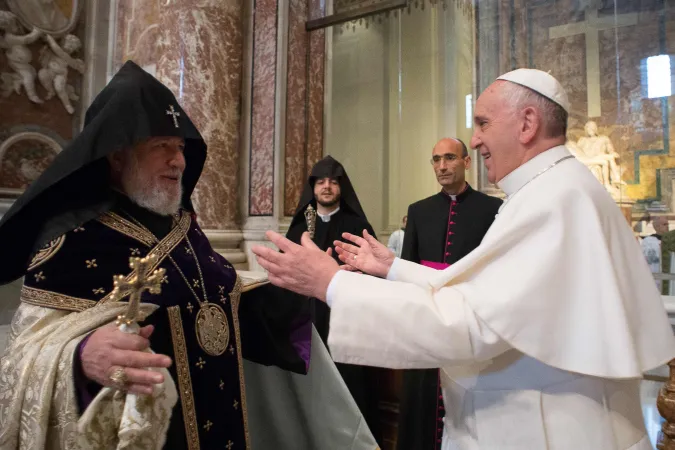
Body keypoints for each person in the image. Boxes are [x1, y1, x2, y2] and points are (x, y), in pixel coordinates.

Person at [252, 68, 675, 449]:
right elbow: (484, 294)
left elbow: (472, 322)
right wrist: (393, 267)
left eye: (483, 123)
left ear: (527, 123)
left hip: (542, 427)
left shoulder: (556, 199)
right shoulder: (550, 190)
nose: (474, 140)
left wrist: (333, 283)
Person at [0, 61, 378, 450]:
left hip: (222, 422)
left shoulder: (182, 225)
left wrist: (312, 284)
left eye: (180, 146)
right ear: (116, 155)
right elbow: (24, 356)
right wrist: (79, 356)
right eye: (161, 146)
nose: (178, 160)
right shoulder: (70, 239)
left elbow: (221, 300)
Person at [397, 137, 501, 450]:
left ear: (466, 162)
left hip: (470, 322)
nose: (442, 166)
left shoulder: (493, 209)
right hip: (427, 321)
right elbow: (407, 270)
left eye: (450, 158)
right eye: (436, 160)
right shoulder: (419, 211)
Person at [286, 155, 381, 444]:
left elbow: (373, 274)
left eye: (333, 181)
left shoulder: (357, 225)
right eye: (320, 181)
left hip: (345, 321)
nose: (326, 187)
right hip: (306, 323)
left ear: (342, 187)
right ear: (312, 187)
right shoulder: (300, 226)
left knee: (348, 387)